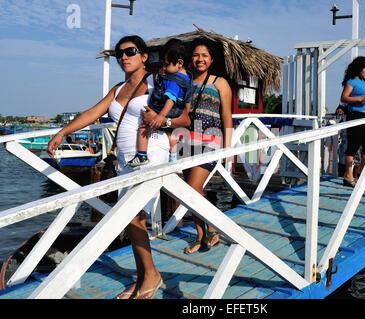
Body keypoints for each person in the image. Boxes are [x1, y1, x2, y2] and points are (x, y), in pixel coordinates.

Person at [47, 35, 191, 299]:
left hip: (151, 152)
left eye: (130, 51)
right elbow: (92, 113)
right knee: (131, 219)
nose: (124, 57)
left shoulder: (157, 81)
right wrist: (63, 131)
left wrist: (161, 121)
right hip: (125, 159)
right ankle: (145, 277)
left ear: (144, 56)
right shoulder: (117, 89)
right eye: (119, 54)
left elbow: (184, 117)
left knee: (134, 215)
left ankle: (151, 277)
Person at [182, 38, 233, 254]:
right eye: (196, 55)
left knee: (193, 188)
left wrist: (229, 150)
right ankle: (201, 237)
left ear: (211, 59)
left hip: (211, 140)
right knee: (189, 191)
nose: (200, 59)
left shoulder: (219, 82)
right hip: (186, 140)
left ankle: (213, 227)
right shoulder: (185, 81)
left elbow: (227, 117)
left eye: (204, 55)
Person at [127, 41, 192, 167]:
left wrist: (160, 116)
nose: (164, 68)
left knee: (143, 127)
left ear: (179, 63)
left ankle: (141, 155)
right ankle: (174, 159)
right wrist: (185, 111)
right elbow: (188, 101)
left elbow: (170, 99)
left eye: (166, 64)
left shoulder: (173, 80)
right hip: (177, 111)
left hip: (166, 110)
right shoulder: (188, 79)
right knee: (172, 137)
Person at [339, 56, 365, 188]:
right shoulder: (351, 82)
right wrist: (361, 98)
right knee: (353, 146)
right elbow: (344, 98)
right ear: (359, 69)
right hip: (355, 116)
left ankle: (359, 172)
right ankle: (348, 176)